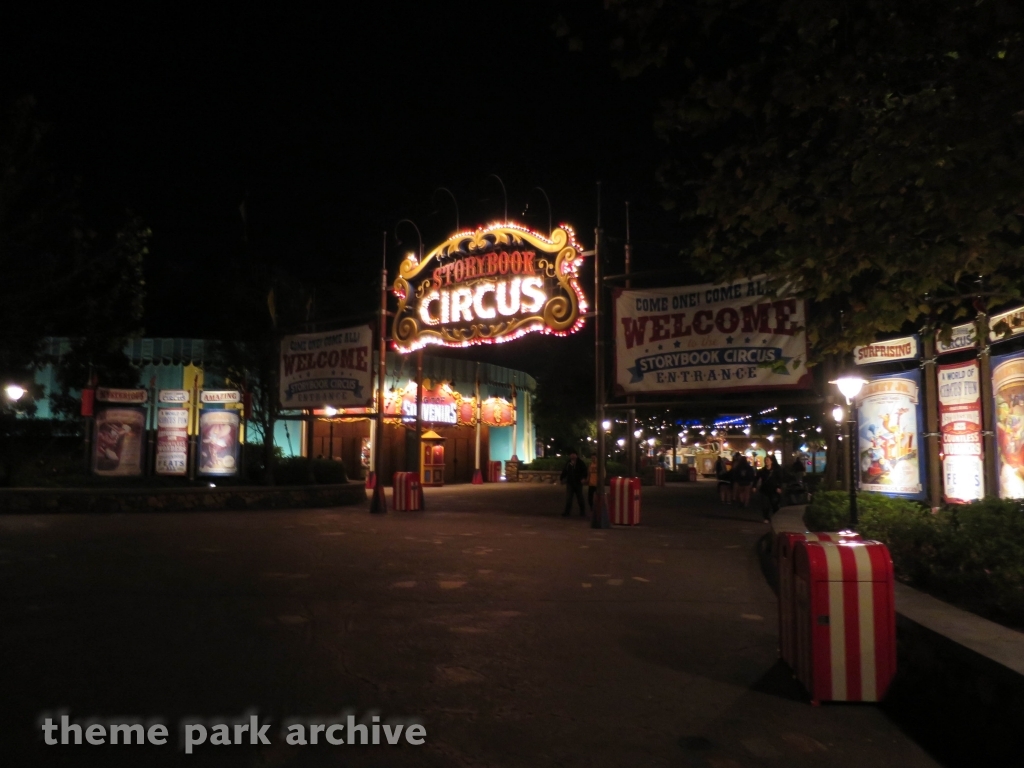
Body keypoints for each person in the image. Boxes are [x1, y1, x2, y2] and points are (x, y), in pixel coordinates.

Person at [757, 454, 784, 522]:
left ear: (771, 461)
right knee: (765, 505)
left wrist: (779, 487)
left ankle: (775, 517)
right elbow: (757, 478)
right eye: (765, 460)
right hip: (764, 490)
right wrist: (754, 486)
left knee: (774, 504)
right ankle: (766, 517)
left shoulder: (776, 470)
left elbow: (780, 479)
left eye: (768, 460)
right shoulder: (762, 470)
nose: (766, 461)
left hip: (773, 490)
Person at [560, 450, 588, 517]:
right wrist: (562, 478)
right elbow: (564, 471)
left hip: (578, 483)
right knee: (568, 498)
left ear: (576, 455)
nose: (572, 456)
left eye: (574, 454)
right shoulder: (568, 463)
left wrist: (583, 478)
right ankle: (567, 512)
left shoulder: (580, 463)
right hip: (570, 483)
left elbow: (584, 471)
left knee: (580, 498)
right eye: (571, 454)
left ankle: (582, 512)